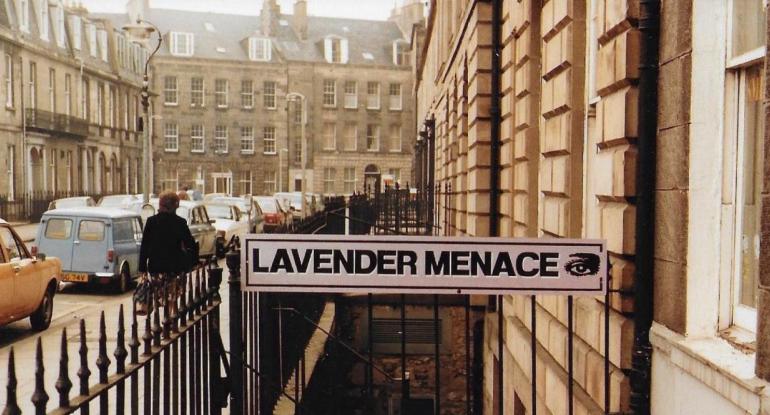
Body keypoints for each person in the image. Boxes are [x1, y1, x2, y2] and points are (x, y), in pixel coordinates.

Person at [136, 191, 198, 315]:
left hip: (156, 269)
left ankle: (158, 324)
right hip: (174, 269)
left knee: (157, 298)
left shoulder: (151, 222)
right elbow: (190, 244)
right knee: (171, 300)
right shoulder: (180, 222)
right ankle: (170, 325)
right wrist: (192, 262)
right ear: (174, 206)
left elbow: (145, 246)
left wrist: (142, 268)